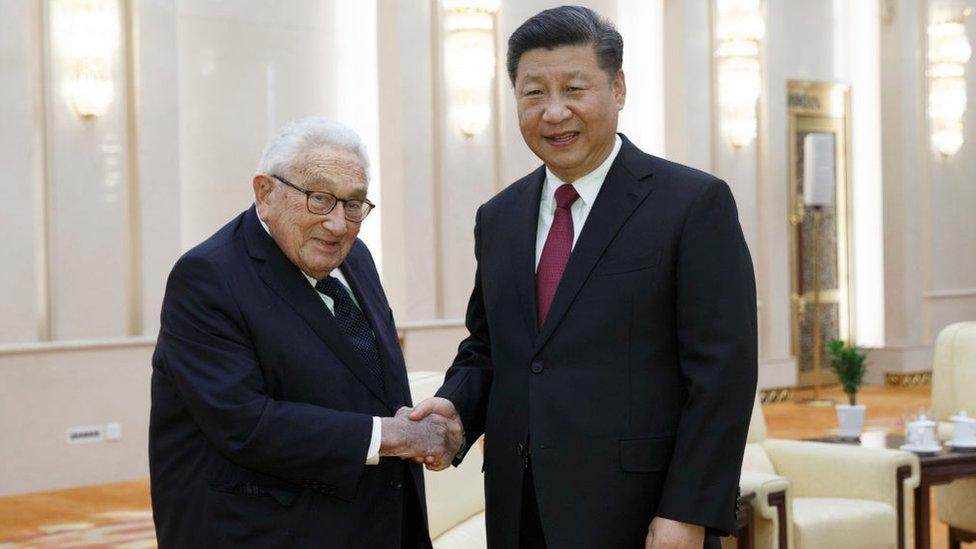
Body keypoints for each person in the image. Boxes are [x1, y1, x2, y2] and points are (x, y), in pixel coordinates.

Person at [411, 6, 758, 548]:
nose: (554, 112)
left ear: (618, 89)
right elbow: (491, 347)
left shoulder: (692, 204)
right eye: (533, 93)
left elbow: (723, 376)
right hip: (518, 507)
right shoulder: (498, 217)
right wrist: (456, 407)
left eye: (575, 88)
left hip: (640, 514)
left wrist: (688, 512)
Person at [149, 117, 460, 548]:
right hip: (265, 531)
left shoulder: (356, 258)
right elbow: (245, 423)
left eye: (354, 204)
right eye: (319, 199)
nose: (338, 224)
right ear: (265, 193)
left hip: (377, 522)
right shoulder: (208, 277)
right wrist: (392, 435)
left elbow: (368, 381)